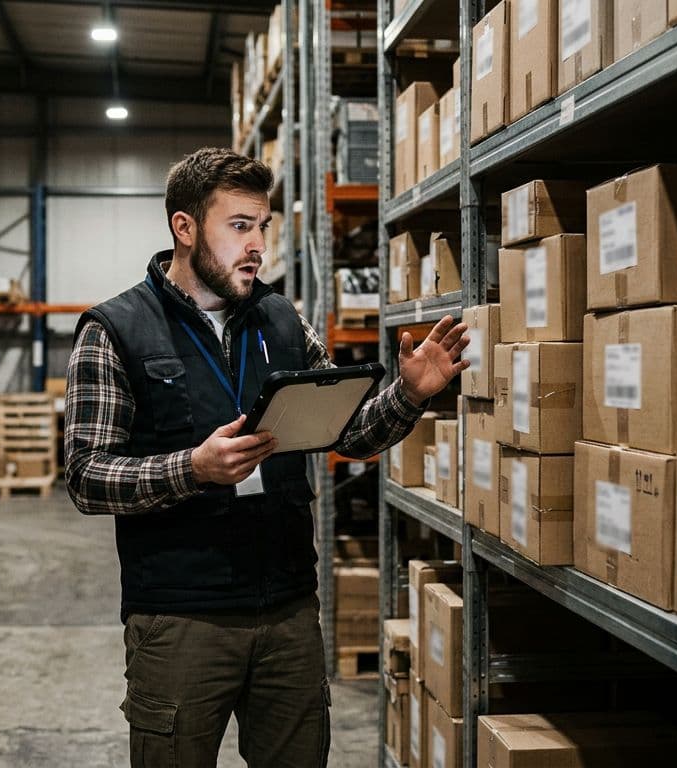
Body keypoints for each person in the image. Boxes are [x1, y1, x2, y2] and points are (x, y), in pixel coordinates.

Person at [64, 147, 469, 767]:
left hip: (287, 609)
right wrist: (192, 468)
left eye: (262, 226)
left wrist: (409, 394)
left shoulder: (280, 321)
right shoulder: (115, 329)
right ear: (184, 227)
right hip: (181, 616)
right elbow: (87, 475)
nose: (256, 245)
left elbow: (347, 433)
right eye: (239, 226)